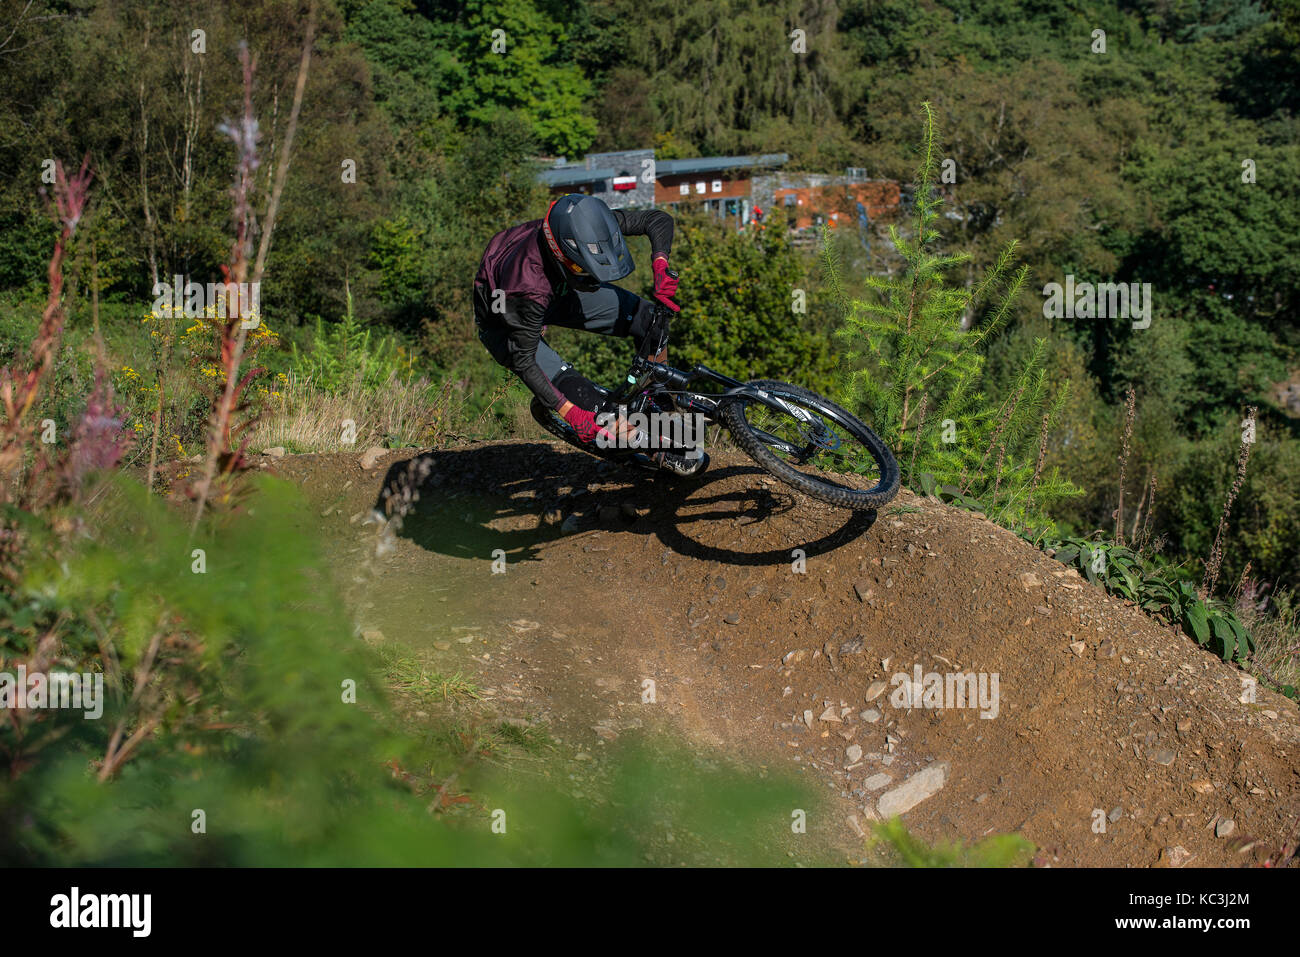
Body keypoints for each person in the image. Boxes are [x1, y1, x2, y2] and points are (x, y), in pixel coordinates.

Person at [473, 193, 704, 475]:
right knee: (597, 410)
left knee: (649, 319)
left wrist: (660, 263)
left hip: (557, 289)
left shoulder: (577, 228)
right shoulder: (526, 286)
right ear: (563, 255)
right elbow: (523, 361)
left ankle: (659, 402)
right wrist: (572, 412)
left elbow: (656, 219)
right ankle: (655, 448)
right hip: (508, 323)